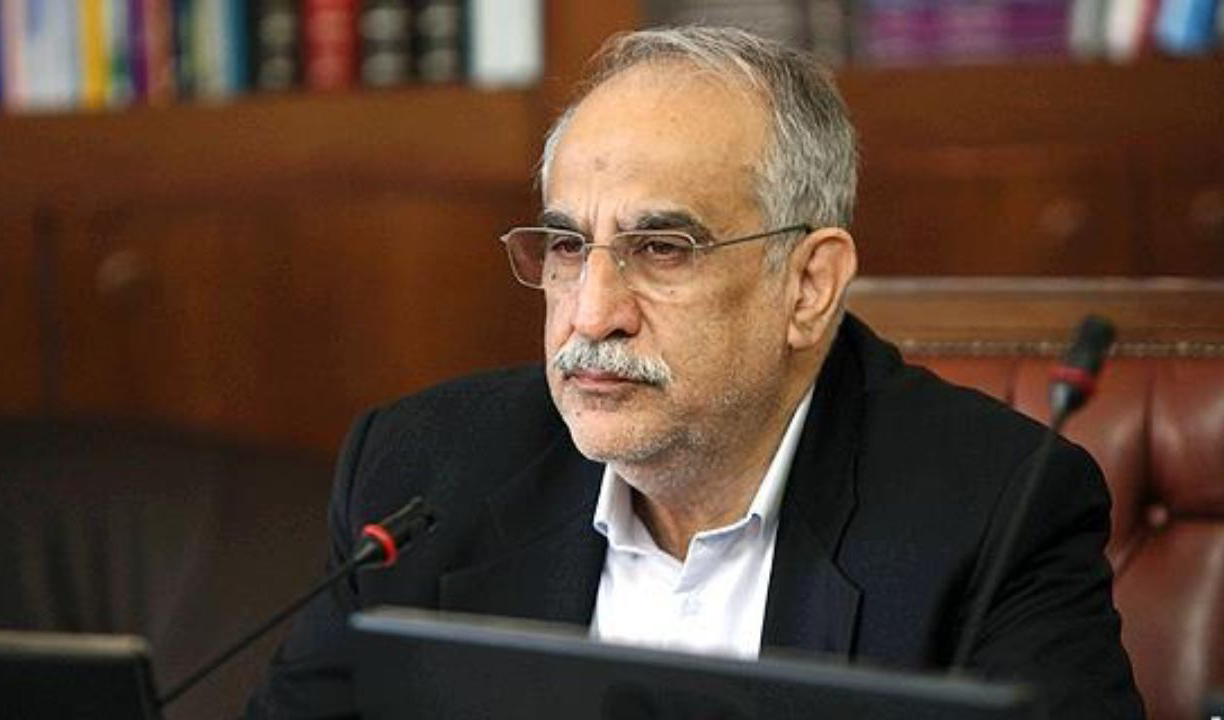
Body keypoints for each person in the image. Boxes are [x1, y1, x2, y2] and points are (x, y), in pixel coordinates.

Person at [247, 26, 1143, 719]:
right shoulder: (421, 477)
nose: (592, 313)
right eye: (568, 247)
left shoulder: (993, 513)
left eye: (662, 249)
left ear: (808, 285)